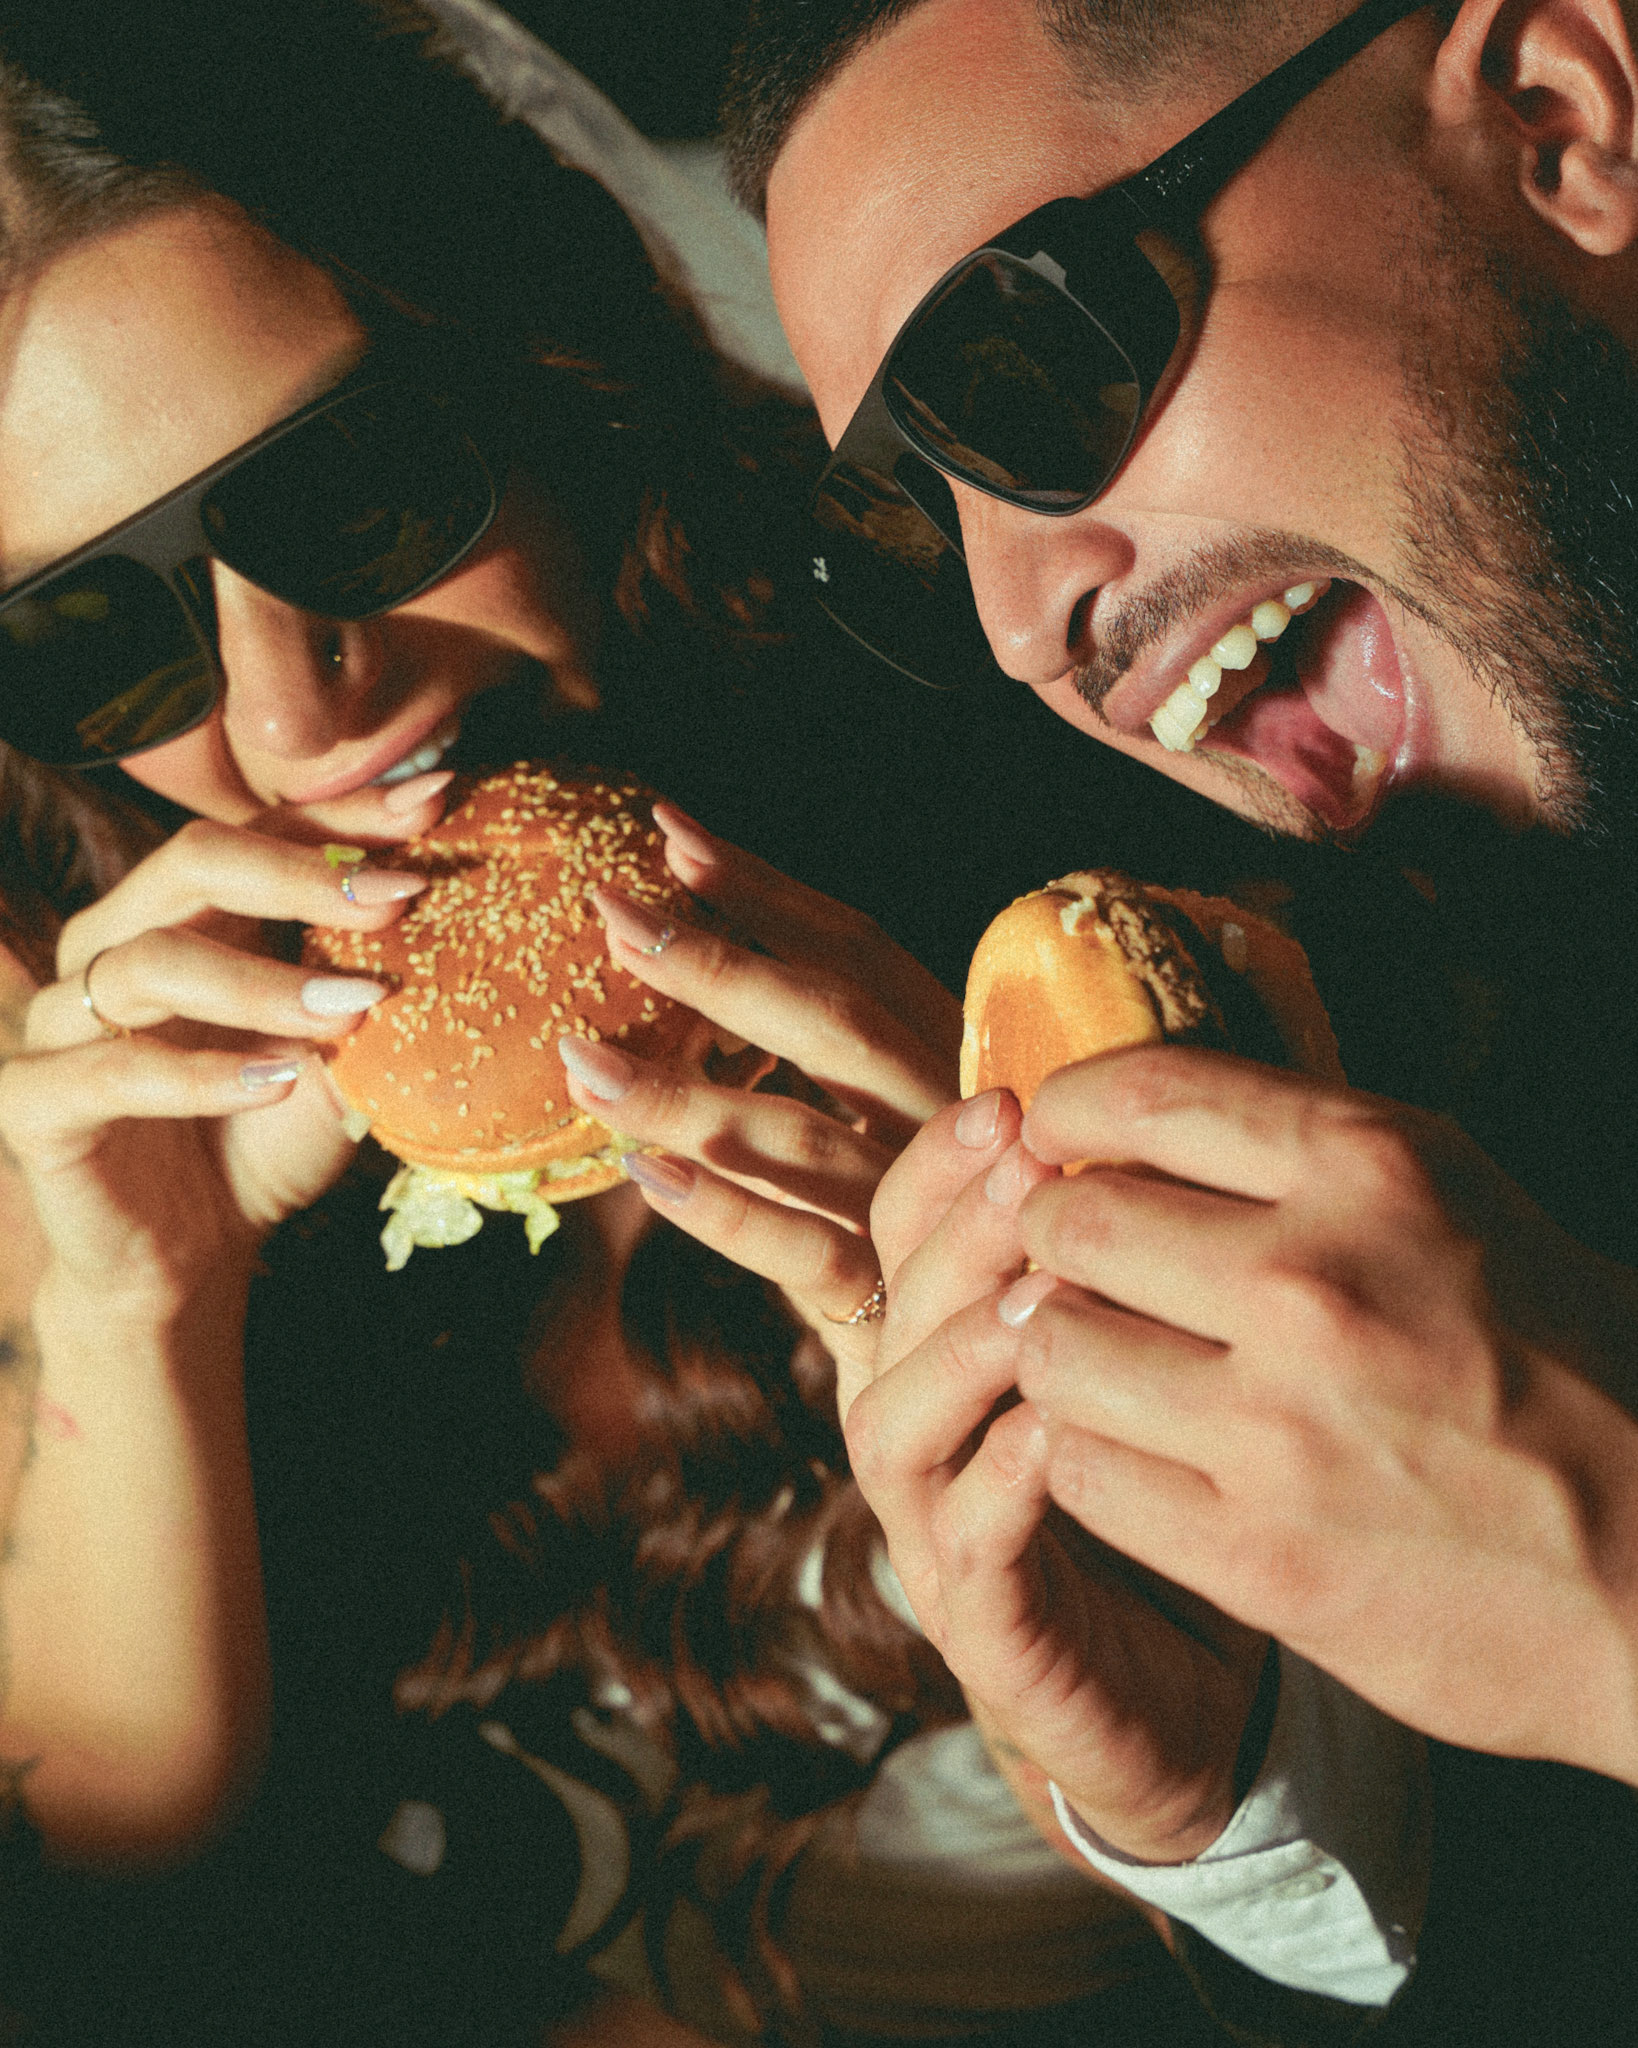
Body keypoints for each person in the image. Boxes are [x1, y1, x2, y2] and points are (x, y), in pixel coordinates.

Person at [0, 7, 1228, 2045]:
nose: (295, 716)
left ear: (550, 372)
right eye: (90, 631)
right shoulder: (84, 1054)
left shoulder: (1083, 870)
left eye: (346, 493)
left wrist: (981, 1288)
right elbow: (103, 1880)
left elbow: (1306, 1896)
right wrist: (151, 1304)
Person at [714, 0, 1638, 2035]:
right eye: (915, 518)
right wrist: (1258, 1798)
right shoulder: (1484, 1098)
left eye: (1021, 364)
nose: (1013, 627)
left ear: (1561, 116)